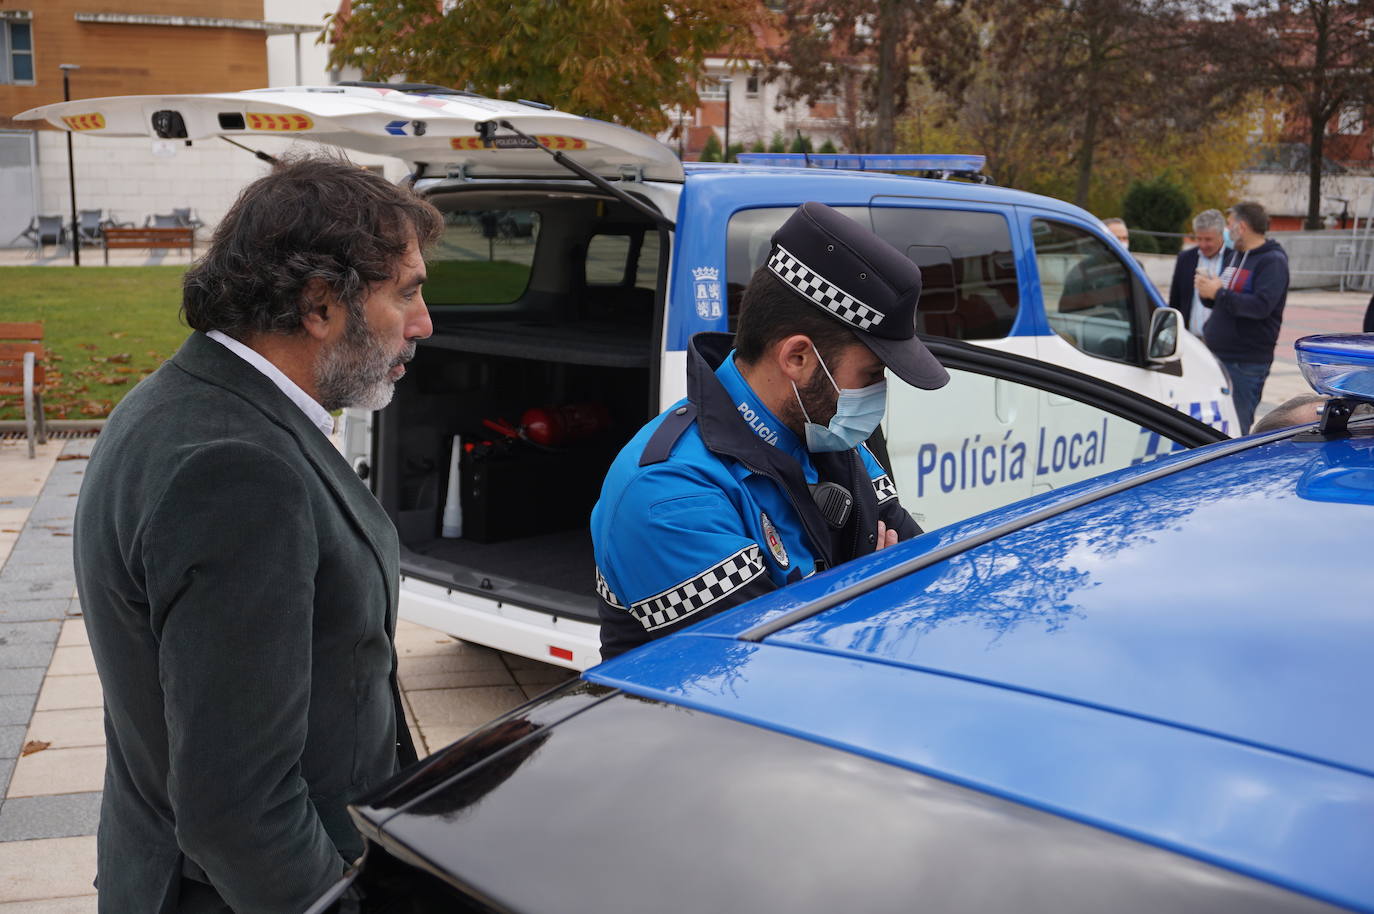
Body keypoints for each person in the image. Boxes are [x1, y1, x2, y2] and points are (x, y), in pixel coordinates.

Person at [72, 156, 442, 912]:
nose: (423, 323)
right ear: (318, 306)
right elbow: (237, 807)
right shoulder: (236, 469)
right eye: (406, 293)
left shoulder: (186, 399)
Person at [591, 202, 949, 660]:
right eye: (873, 373)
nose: (878, 393)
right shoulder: (670, 492)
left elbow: (926, 579)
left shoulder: (828, 437)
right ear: (798, 359)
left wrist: (850, 598)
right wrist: (868, 591)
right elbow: (779, 668)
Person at [1194, 201, 1289, 435]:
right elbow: (1224, 301)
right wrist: (1207, 293)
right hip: (1218, 354)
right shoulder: (1235, 255)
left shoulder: (1272, 261)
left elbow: (1260, 307)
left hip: (1245, 362)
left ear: (1242, 226)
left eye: (1229, 224)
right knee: (1212, 426)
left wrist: (1218, 292)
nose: (1226, 230)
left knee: (1235, 428)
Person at [1168, 209, 1227, 334]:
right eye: (1199, 238)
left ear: (1221, 235)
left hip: (1222, 343)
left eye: (1208, 239)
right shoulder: (1185, 259)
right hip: (1190, 340)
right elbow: (1175, 301)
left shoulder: (1234, 259)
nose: (1203, 244)